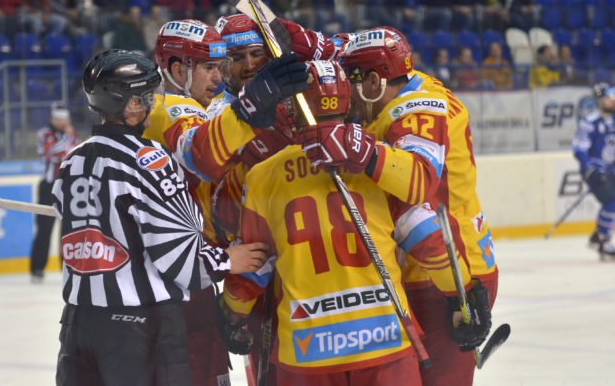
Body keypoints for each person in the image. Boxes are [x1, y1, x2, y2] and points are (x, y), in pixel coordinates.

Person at [221, 60, 479, 385]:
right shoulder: (376, 160)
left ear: (293, 106)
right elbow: (427, 236)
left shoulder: (263, 176)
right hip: (384, 342)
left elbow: (252, 268)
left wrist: (233, 312)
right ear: (348, 101)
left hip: (306, 351)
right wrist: (463, 294)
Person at [53, 49, 269, 385]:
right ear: (133, 105)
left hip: (77, 324)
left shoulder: (72, 161)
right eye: (147, 96)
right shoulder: (149, 159)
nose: (153, 103)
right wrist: (228, 260)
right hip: (138, 329)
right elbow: (179, 258)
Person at [299, 27, 496, 385]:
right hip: (438, 263)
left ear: (373, 81)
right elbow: (349, 47)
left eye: (350, 81)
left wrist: (359, 147)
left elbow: (417, 184)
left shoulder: (416, 109)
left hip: (450, 270)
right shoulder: (405, 83)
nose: (346, 97)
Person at [143, 20, 309, 385]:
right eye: (211, 66)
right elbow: (201, 156)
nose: (219, 76)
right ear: (176, 70)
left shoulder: (188, 108)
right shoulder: (175, 109)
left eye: (254, 55)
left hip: (202, 277)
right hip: (189, 284)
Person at [30, 102, 78, 283]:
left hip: (68, 186)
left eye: (64, 119)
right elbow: (53, 153)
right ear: (53, 119)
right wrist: (68, 138)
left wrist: (68, 142)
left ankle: (66, 267)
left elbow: (74, 153)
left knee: (68, 230)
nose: (62, 122)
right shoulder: (45, 134)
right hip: (48, 186)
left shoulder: (71, 136)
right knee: (44, 229)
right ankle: (37, 269)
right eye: (59, 119)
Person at [573, 82, 615, 258]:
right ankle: (604, 242)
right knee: (612, 202)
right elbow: (579, 149)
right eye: (609, 98)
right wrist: (590, 169)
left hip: (611, 170)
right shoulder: (589, 123)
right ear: (600, 101)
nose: (612, 101)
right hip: (595, 171)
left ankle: (597, 235)